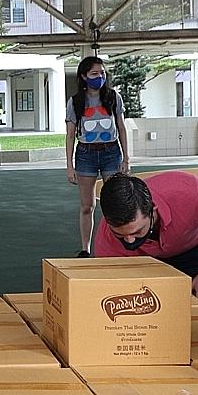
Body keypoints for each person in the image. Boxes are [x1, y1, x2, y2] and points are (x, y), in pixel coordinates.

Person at [92, 172, 198, 310]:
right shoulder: (106, 242)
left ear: (153, 211)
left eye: (137, 231)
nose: (130, 240)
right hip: (145, 260)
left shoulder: (189, 191)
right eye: (120, 234)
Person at [65, 55, 130, 256]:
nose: (99, 77)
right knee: (87, 206)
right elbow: (69, 135)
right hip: (86, 154)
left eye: (102, 73)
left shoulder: (113, 97)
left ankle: (119, 247)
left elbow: (121, 127)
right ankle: (86, 248)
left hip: (111, 152)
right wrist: (69, 165)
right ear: (84, 76)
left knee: (114, 203)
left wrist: (126, 158)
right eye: (94, 73)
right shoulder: (75, 102)